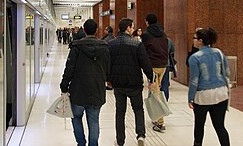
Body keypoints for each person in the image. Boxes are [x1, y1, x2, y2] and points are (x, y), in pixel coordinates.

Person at [60, 19, 110, 146]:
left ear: (84, 30)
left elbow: (69, 68)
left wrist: (64, 86)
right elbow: (108, 68)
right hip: (97, 89)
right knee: (94, 120)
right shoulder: (104, 48)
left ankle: (81, 143)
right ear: (97, 30)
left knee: (76, 117)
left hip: (78, 90)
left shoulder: (76, 47)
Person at [108, 18, 154, 146]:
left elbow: (107, 64)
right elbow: (145, 63)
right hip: (134, 83)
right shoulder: (137, 44)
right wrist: (151, 78)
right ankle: (140, 135)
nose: (133, 29)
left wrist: (108, 79)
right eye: (132, 27)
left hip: (118, 84)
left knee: (120, 111)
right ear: (128, 28)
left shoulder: (111, 44)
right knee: (138, 109)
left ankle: (120, 140)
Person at [188, 27, 230, 146]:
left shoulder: (195, 57)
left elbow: (194, 80)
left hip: (203, 96)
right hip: (221, 94)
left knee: (199, 126)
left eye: (194, 38)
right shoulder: (219, 53)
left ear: (201, 41)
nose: (193, 41)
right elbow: (226, 73)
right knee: (220, 126)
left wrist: (190, 98)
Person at [142, 13, 168, 132]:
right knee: (156, 90)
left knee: (155, 92)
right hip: (163, 65)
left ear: (147, 22)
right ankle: (156, 116)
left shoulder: (146, 35)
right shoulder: (163, 33)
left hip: (152, 66)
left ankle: (160, 122)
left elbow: (143, 51)